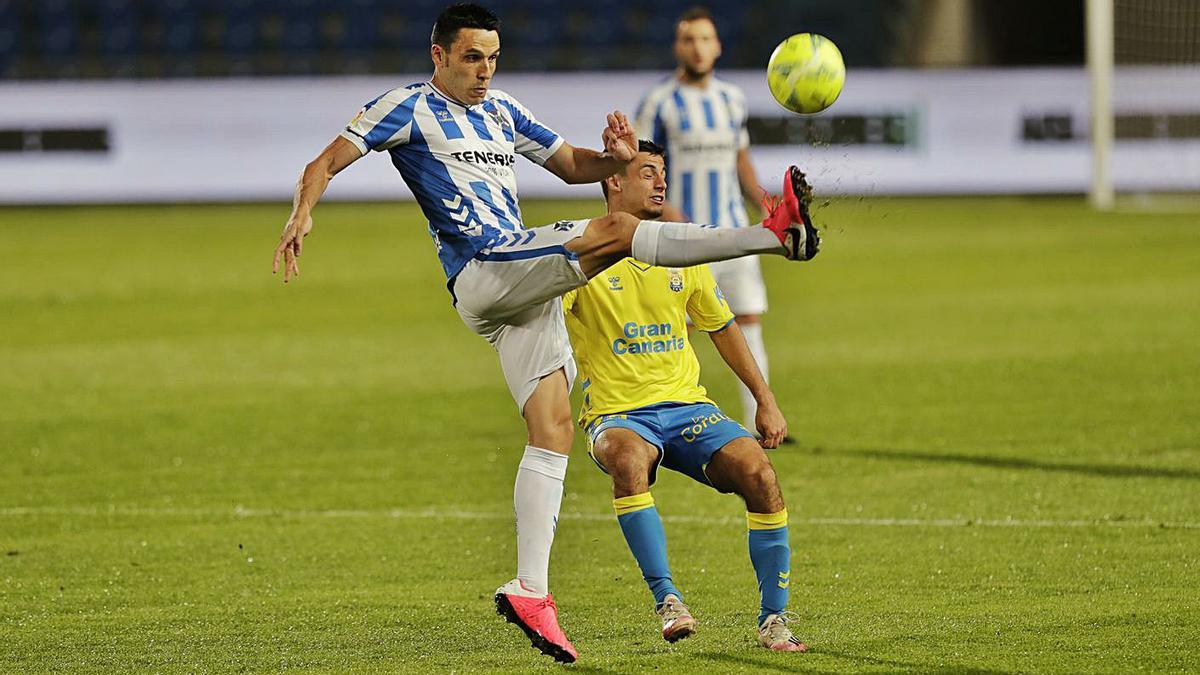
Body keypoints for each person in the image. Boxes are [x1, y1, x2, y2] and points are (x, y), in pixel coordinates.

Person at [270, 3, 819, 664]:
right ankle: (775, 236)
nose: (483, 71)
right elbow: (324, 161)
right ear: (437, 53)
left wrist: (611, 160)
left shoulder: (503, 111)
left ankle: (531, 588)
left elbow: (569, 164)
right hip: (485, 264)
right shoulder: (406, 106)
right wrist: (303, 213)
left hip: (518, 292)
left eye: (492, 58)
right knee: (616, 234)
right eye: (471, 57)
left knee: (552, 426)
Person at [562, 139, 808, 652]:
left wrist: (764, 398)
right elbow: (541, 323)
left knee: (760, 475)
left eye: (663, 173)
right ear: (613, 180)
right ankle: (667, 599)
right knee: (627, 459)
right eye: (647, 172)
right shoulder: (581, 250)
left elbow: (723, 327)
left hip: (687, 409)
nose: (661, 183)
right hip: (618, 413)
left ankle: (774, 620)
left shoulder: (679, 249)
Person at [634, 7, 783, 437]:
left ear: (717, 46)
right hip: (684, 238)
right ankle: (659, 416)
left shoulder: (731, 99)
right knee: (679, 326)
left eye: (705, 39)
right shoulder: (659, 102)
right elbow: (640, 163)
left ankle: (763, 420)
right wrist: (663, 210)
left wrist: (765, 203)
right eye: (688, 39)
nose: (697, 47)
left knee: (748, 319)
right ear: (678, 47)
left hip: (734, 232)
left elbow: (740, 160)